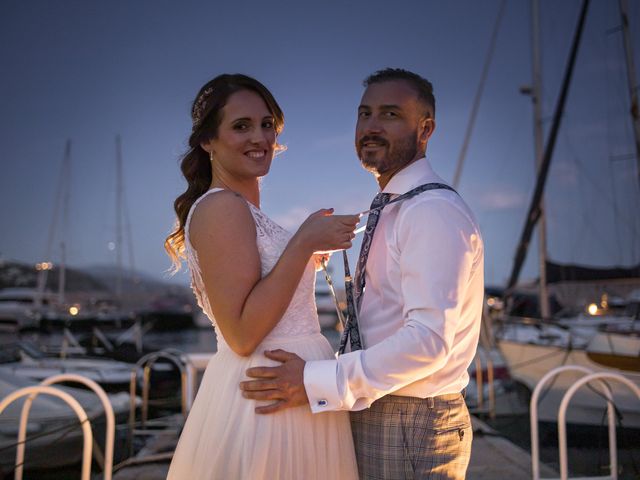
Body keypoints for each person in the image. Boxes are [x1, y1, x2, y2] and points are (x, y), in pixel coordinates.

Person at [240, 68, 484, 479]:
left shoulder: (431, 210)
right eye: (364, 113)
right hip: (385, 408)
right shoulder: (393, 205)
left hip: (410, 419)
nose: (370, 127)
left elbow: (428, 341)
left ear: (425, 129)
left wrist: (315, 380)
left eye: (389, 115)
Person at [164, 73, 359, 479]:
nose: (259, 137)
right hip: (268, 399)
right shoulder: (222, 208)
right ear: (207, 141)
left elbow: (266, 287)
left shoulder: (241, 210)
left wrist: (303, 258)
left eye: (267, 124)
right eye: (241, 126)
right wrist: (303, 242)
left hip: (293, 390)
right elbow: (241, 333)